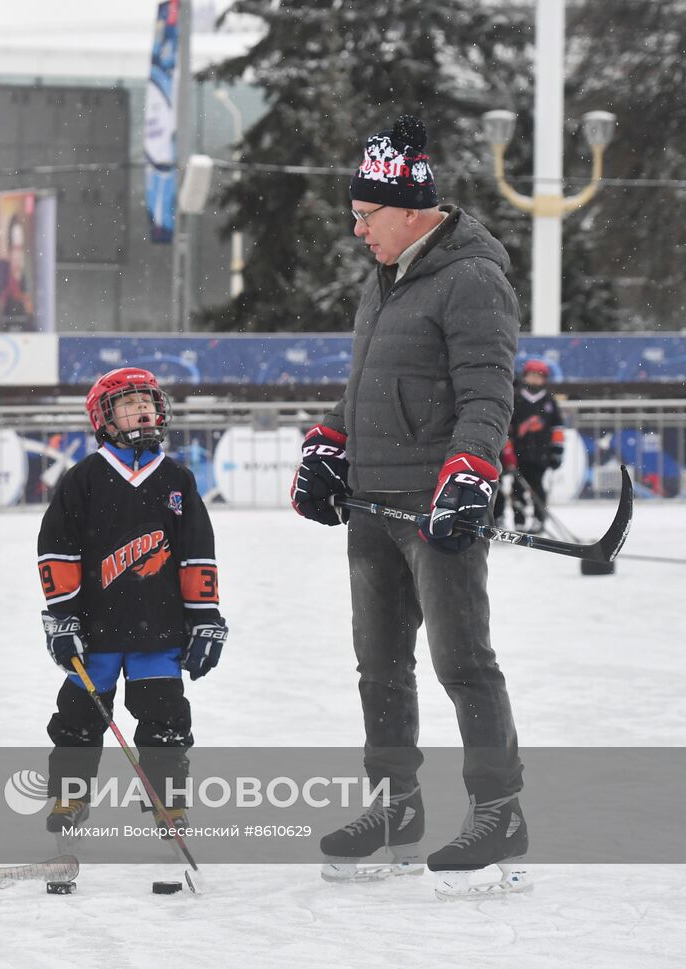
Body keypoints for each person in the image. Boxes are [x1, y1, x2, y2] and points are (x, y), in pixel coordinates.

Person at [290, 115, 528, 898]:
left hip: (435, 510)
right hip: (373, 509)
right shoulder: (386, 274)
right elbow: (368, 379)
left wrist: (470, 471)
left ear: (411, 208)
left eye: (366, 216)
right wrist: (331, 437)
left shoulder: (472, 277)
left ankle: (499, 810)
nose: (357, 231)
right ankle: (396, 808)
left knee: (463, 664)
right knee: (380, 668)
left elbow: (488, 390)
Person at [36, 367, 228, 835]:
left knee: (165, 718)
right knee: (78, 720)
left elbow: (197, 554)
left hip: (158, 630)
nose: (143, 409)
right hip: (94, 632)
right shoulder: (83, 479)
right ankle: (70, 796)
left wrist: (205, 618)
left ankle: (167, 802)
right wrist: (63, 619)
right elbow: (57, 551)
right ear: (103, 418)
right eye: (128, 404)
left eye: (147, 401)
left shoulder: (177, 480)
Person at [508, 359, 566, 533]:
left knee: (538, 488)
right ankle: (519, 519)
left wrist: (557, 451)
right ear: (525, 376)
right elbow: (509, 428)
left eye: (538, 376)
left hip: (541, 455)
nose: (535, 380)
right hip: (519, 454)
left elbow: (557, 429)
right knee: (517, 488)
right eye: (531, 375)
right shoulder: (516, 398)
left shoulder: (549, 402)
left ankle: (538, 519)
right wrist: (508, 448)